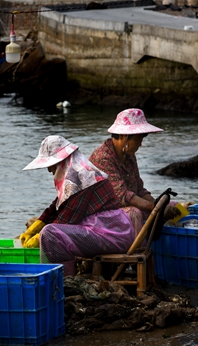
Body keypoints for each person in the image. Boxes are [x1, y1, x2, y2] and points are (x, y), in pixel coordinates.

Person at [19, 135, 136, 266]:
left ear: (60, 162)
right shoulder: (79, 174)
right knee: (47, 229)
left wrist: (37, 237)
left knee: (50, 233)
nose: (48, 170)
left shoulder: (81, 177)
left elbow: (67, 218)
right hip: (108, 230)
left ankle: (66, 279)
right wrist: (35, 227)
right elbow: (57, 206)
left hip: (112, 234)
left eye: (50, 165)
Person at [88, 108, 165, 234]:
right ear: (124, 136)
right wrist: (154, 208)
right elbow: (122, 195)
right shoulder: (103, 158)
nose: (140, 144)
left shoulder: (129, 156)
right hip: (101, 217)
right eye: (137, 140)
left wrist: (159, 205)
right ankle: (138, 251)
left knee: (170, 205)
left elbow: (139, 189)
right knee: (135, 213)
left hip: (123, 211)